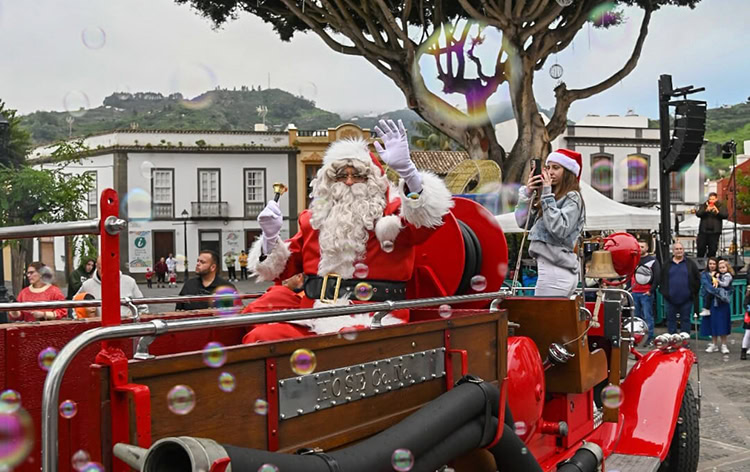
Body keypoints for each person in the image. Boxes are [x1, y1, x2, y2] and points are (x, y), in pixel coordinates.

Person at [243, 119, 453, 342]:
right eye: (341, 175)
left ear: (373, 179)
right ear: (329, 181)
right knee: (262, 337)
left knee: (345, 344)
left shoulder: (393, 216)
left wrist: (409, 174)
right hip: (315, 315)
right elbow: (279, 269)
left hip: (375, 317)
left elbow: (426, 221)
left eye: (358, 175)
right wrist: (269, 237)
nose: (350, 181)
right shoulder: (313, 220)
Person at [514, 149, 585, 297]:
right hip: (552, 269)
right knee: (552, 318)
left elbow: (559, 229)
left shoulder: (572, 197)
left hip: (556, 271)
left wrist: (546, 194)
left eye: (556, 168)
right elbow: (522, 222)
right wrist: (527, 193)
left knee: (545, 318)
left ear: (568, 172)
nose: (550, 172)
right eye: (548, 167)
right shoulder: (550, 197)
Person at [76, 256, 148, 317]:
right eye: (102, 268)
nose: (107, 272)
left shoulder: (129, 282)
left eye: (110, 268)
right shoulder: (87, 285)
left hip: (125, 329)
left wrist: (136, 322)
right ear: (97, 267)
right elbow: (74, 305)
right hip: (99, 330)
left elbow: (143, 307)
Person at [659, 242, 700, 334]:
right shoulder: (666, 264)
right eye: (677, 249)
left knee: (685, 320)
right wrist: (665, 293)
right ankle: (672, 342)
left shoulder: (690, 264)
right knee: (670, 320)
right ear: (673, 251)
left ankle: (684, 342)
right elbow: (662, 279)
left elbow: (697, 279)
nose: (679, 251)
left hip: (686, 299)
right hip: (670, 299)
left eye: (681, 249)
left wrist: (692, 293)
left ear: (683, 250)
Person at [630, 239, 660, 345]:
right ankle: (637, 338)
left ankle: (650, 337)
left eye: (642, 246)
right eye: (639, 246)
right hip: (634, 292)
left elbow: (657, 276)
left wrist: (651, 290)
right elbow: (630, 274)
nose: (640, 248)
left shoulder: (652, 261)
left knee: (648, 316)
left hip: (645, 293)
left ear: (647, 248)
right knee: (636, 317)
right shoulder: (633, 260)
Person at [702, 259, 733, 354]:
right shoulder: (706, 274)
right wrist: (718, 292)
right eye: (710, 263)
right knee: (713, 323)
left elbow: (728, 287)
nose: (712, 265)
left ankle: (724, 344)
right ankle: (714, 344)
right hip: (712, 302)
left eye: (714, 264)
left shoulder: (724, 275)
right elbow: (708, 287)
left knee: (723, 323)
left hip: (722, 302)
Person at [695, 192, 728, 258]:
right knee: (701, 248)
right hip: (703, 231)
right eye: (710, 199)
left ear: (716, 199)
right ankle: (699, 264)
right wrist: (706, 210)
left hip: (715, 232)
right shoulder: (704, 205)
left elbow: (725, 215)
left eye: (713, 199)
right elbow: (698, 214)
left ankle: (711, 263)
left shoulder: (721, 206)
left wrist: (717, 211)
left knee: (712, 250)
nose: (711, 201)